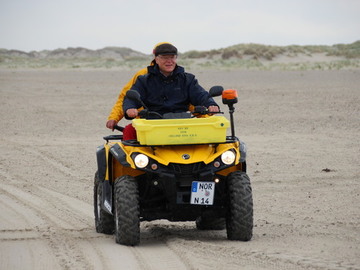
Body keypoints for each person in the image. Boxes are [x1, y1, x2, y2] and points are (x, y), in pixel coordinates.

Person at [123, 42, 219, 121]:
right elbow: (131, 98)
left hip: (182, 123)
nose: (169, 61)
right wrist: (130, 108)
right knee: (129, 132)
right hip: (153, 123)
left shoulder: (188, 79)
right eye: (165, 57)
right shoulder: (144, 80)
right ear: (156, 59)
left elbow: (200, 94)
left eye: (172, 57)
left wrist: (211, 104)